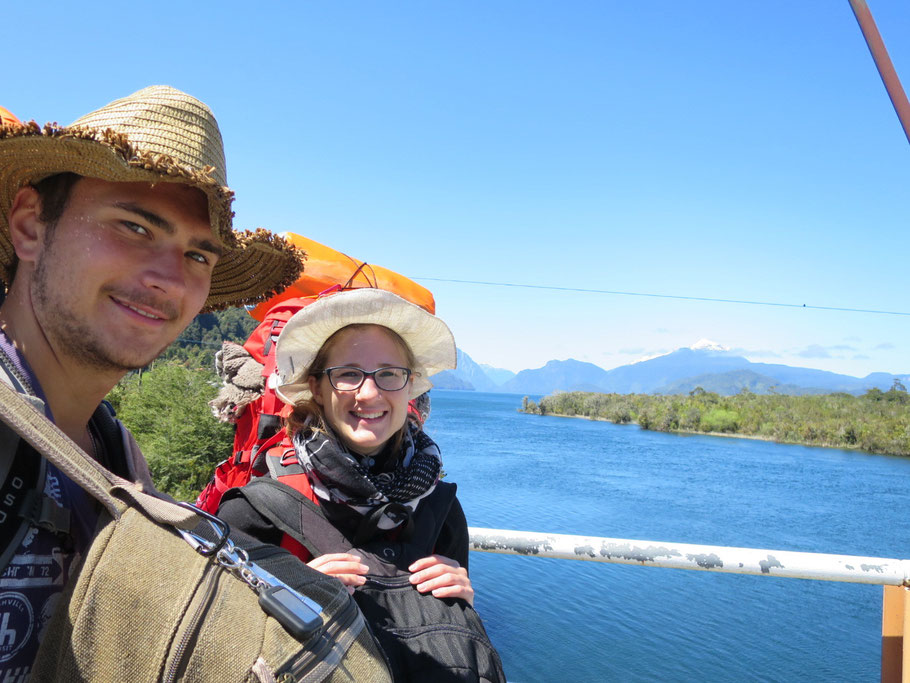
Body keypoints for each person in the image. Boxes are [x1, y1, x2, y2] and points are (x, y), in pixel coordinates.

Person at [0, 86, 302, 678]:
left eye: (198, 256)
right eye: (135, 227)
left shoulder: (115, 453)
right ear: (30, 226)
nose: (170, 279)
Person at [216, 287, 505, 680]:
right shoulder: (254, 510)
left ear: (409, 386)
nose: (370, 393)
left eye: (389, 374)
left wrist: (462, 602)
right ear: (316, 387)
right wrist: (285, 597)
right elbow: (218, 645)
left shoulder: (440, 507)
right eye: (348, 374)